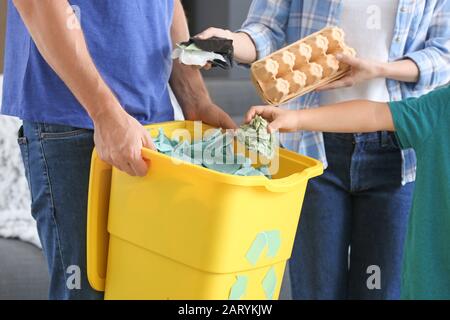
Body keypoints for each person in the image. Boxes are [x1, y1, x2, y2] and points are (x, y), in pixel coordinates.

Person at [197, 0, 450, 299]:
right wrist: (229, 43)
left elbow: (443, 56)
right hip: (312, 145)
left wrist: (378, 69)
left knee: (380, 289)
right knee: (316, 290)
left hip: (397, 148)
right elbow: (265, 30)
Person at [1, 0, 235, 300]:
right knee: (87, 292)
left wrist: (195, 98)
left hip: (154, 128)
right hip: (76, 122)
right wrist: (105, 114)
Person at [244, 84, 450, 300]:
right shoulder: (440, 107)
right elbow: (375, 114)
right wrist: (297, 119)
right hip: (430, 288)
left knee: (375, 283)